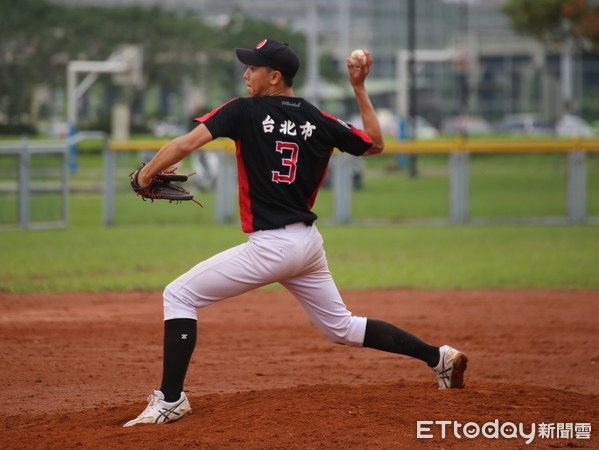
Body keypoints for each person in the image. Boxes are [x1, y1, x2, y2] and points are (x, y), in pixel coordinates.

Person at [123, 39, 467, 427]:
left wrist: (145, 175)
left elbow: (186, 143)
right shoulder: (318, 118)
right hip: (306, 245)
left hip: (272, 245)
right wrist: (359, 88)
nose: (245, 74)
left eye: (252, 68)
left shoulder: (242, 110)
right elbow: (376, 144)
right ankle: (439, 357)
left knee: (179, 294)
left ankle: (170, 400)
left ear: (274, 77)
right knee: (342, 326)